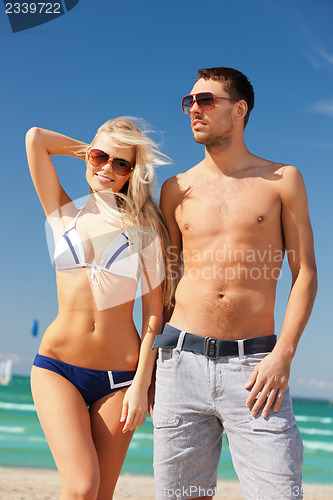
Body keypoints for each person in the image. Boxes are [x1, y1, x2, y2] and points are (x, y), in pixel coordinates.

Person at [152, 67, 317, 500]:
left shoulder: (283, 180)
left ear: (239, 109)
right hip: (179, 364)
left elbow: (306, 274)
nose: (194, 110)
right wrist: (149, 368)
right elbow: (166, 281)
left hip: (256, 370)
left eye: (206, 100)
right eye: (189, 102)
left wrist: (283, 355)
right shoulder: (176, 188)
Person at [26, 117, 170, 500]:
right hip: (58, 368)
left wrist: (142, 383)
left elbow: (154, 313)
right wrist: (92, 151)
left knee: (101, 494)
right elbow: (36, 139)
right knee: (81, 487)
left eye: (121, 163)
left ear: (132, 172)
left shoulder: (146, 227)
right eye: (101, 157)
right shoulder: (62, 213)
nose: (108, 168)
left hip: (119, 380)